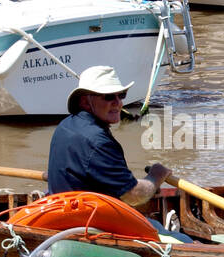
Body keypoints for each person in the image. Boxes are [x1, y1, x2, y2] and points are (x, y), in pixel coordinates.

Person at [47, 65, 171, 206]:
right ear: (85, 102)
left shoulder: (65, 126)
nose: (118, 103)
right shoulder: (99, 142)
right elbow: (133, 195)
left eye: (121, 95)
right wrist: (155, 176)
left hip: (64, 209)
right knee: (162, 229)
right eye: (109, 96)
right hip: (88, 221)